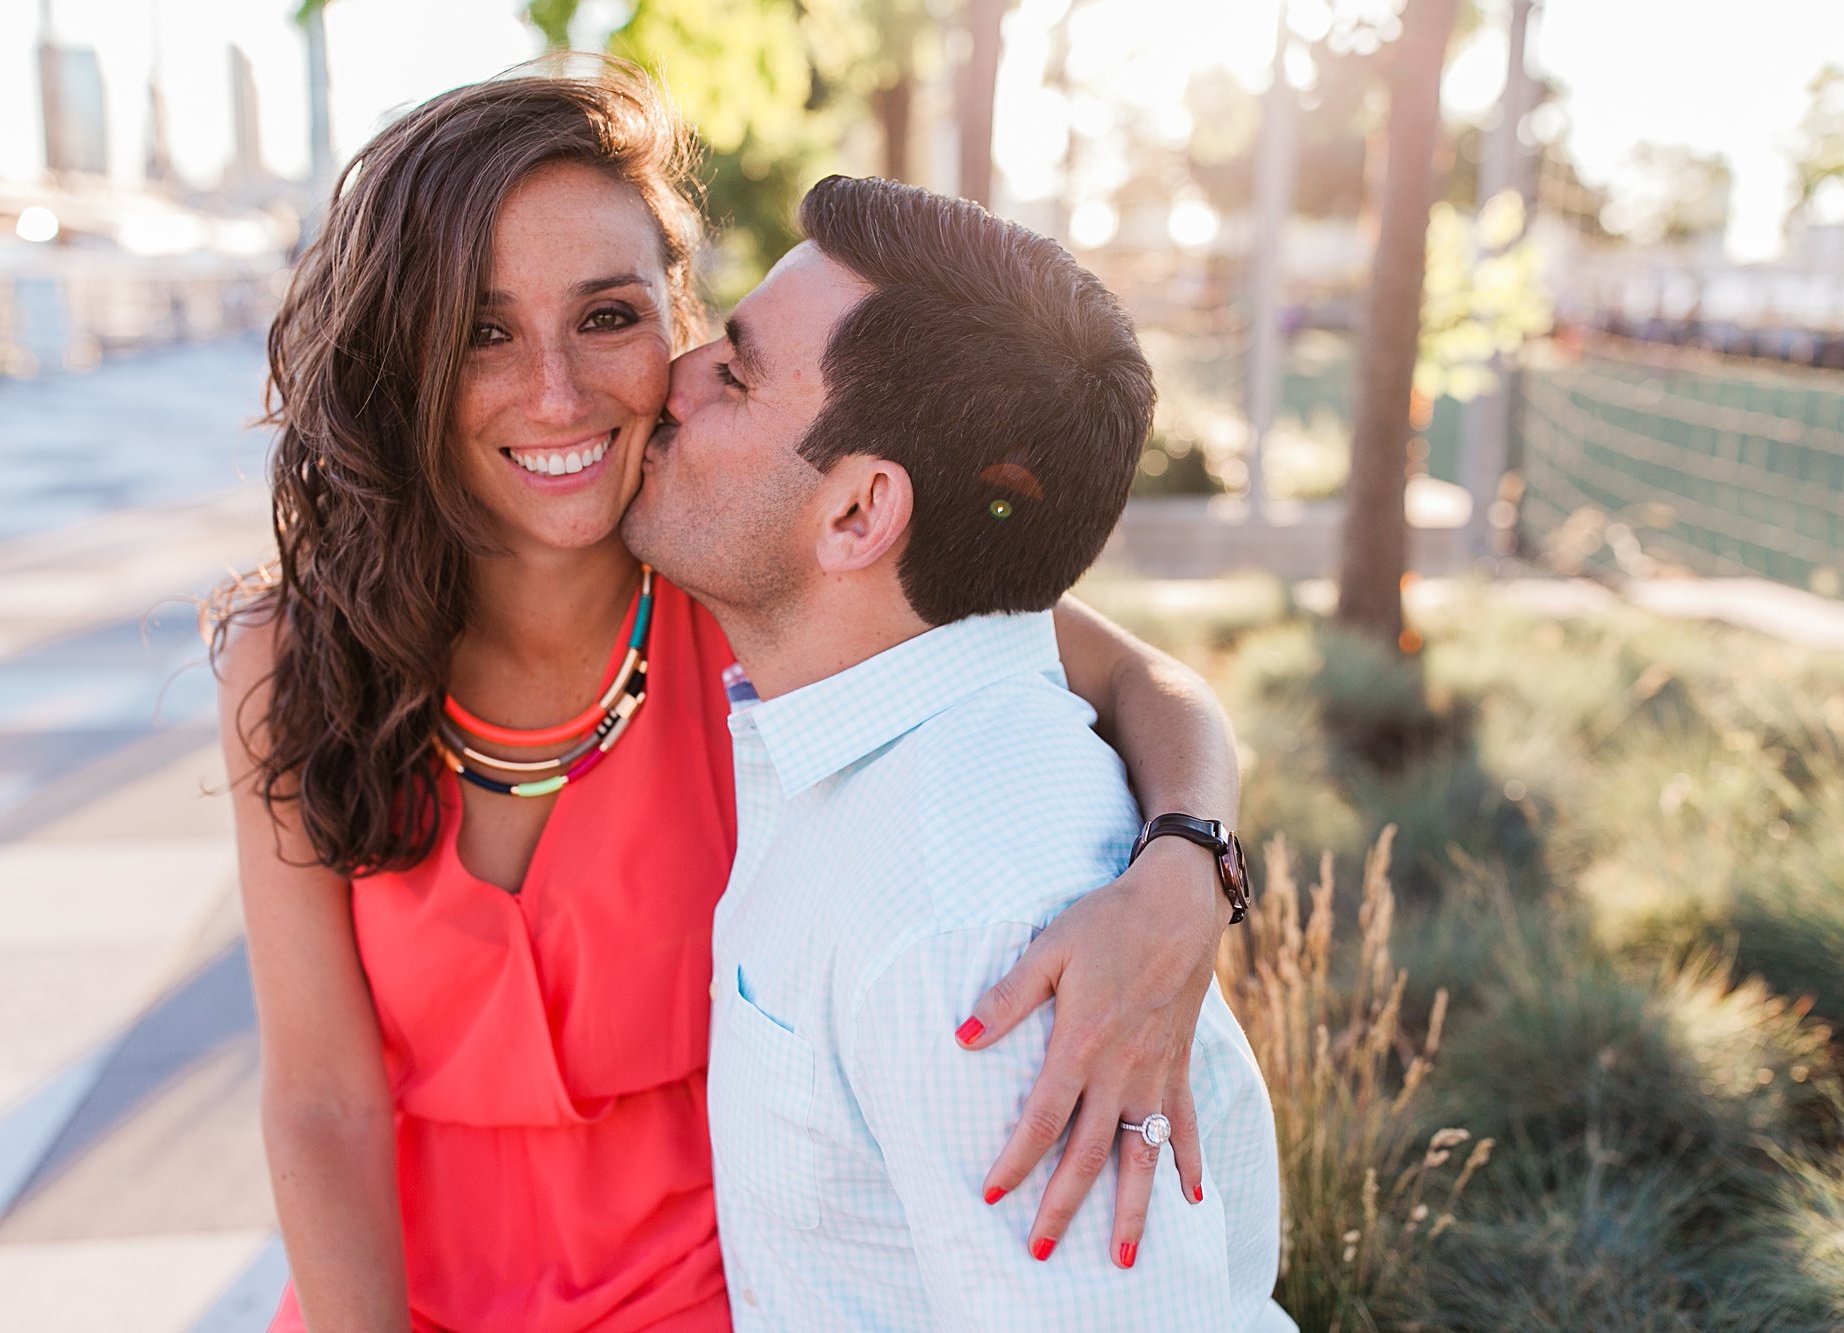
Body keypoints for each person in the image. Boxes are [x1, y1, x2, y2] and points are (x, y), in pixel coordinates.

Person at [212, 63, 1248, 1333]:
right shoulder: (296, 652)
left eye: (606, 315)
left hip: (728, 1296)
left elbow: (1136, 678)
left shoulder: (753, 595)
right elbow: (320, 1096)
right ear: (402, 357)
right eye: (483, 331)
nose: (555, 392)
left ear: (674, 321)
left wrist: (1186, 868)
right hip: (395, 1303)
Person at [621, 175, 1288, 1330]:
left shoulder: (976, 934)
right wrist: (1194, 845)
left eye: (733, 373)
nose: (673, 378)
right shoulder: (897, 712)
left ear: (856, 514)